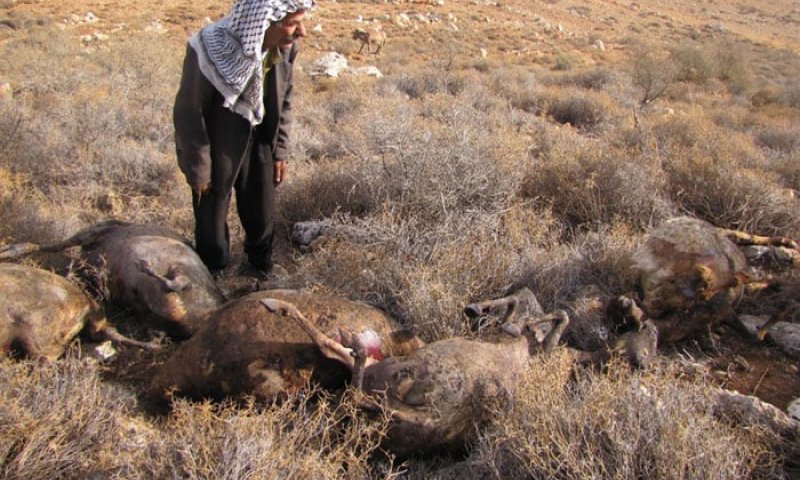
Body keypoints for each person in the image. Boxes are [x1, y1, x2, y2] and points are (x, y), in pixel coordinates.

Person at [173, 0, 314, 277]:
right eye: (293, 23)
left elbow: (285, 100)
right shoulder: (207, 47)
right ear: (263, 23)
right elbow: (189, 112)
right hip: (216, 144)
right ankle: (213, 276)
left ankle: (259, 271)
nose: (301, 32)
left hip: (260, 139)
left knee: (261, 210)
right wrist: (199, 169)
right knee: (210, 217)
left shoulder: (283, 49)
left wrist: (280, 151)